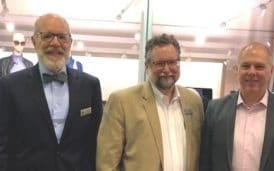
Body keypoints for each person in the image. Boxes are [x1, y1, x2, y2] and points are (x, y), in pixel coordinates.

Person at [0, 13, 103, 171]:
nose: (55, 43)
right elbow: (4, 145)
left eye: (62, 37)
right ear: (34, 41)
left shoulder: (90, 86)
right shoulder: (9, 86)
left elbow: (96, 142)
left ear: (70, 43)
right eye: (47, 36)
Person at [96, 33, 204, 171]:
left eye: (172, 62)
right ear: (147, 66)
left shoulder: (193, 101)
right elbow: (107, 164)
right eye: (159, 63)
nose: (166, 69)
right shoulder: (122, 102)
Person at [199, 42, 274, 171]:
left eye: (259, 66)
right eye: (246, 66)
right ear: (236, 70)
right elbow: (205, 162)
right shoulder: (215, 110)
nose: (252, 72)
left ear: (271, 71)